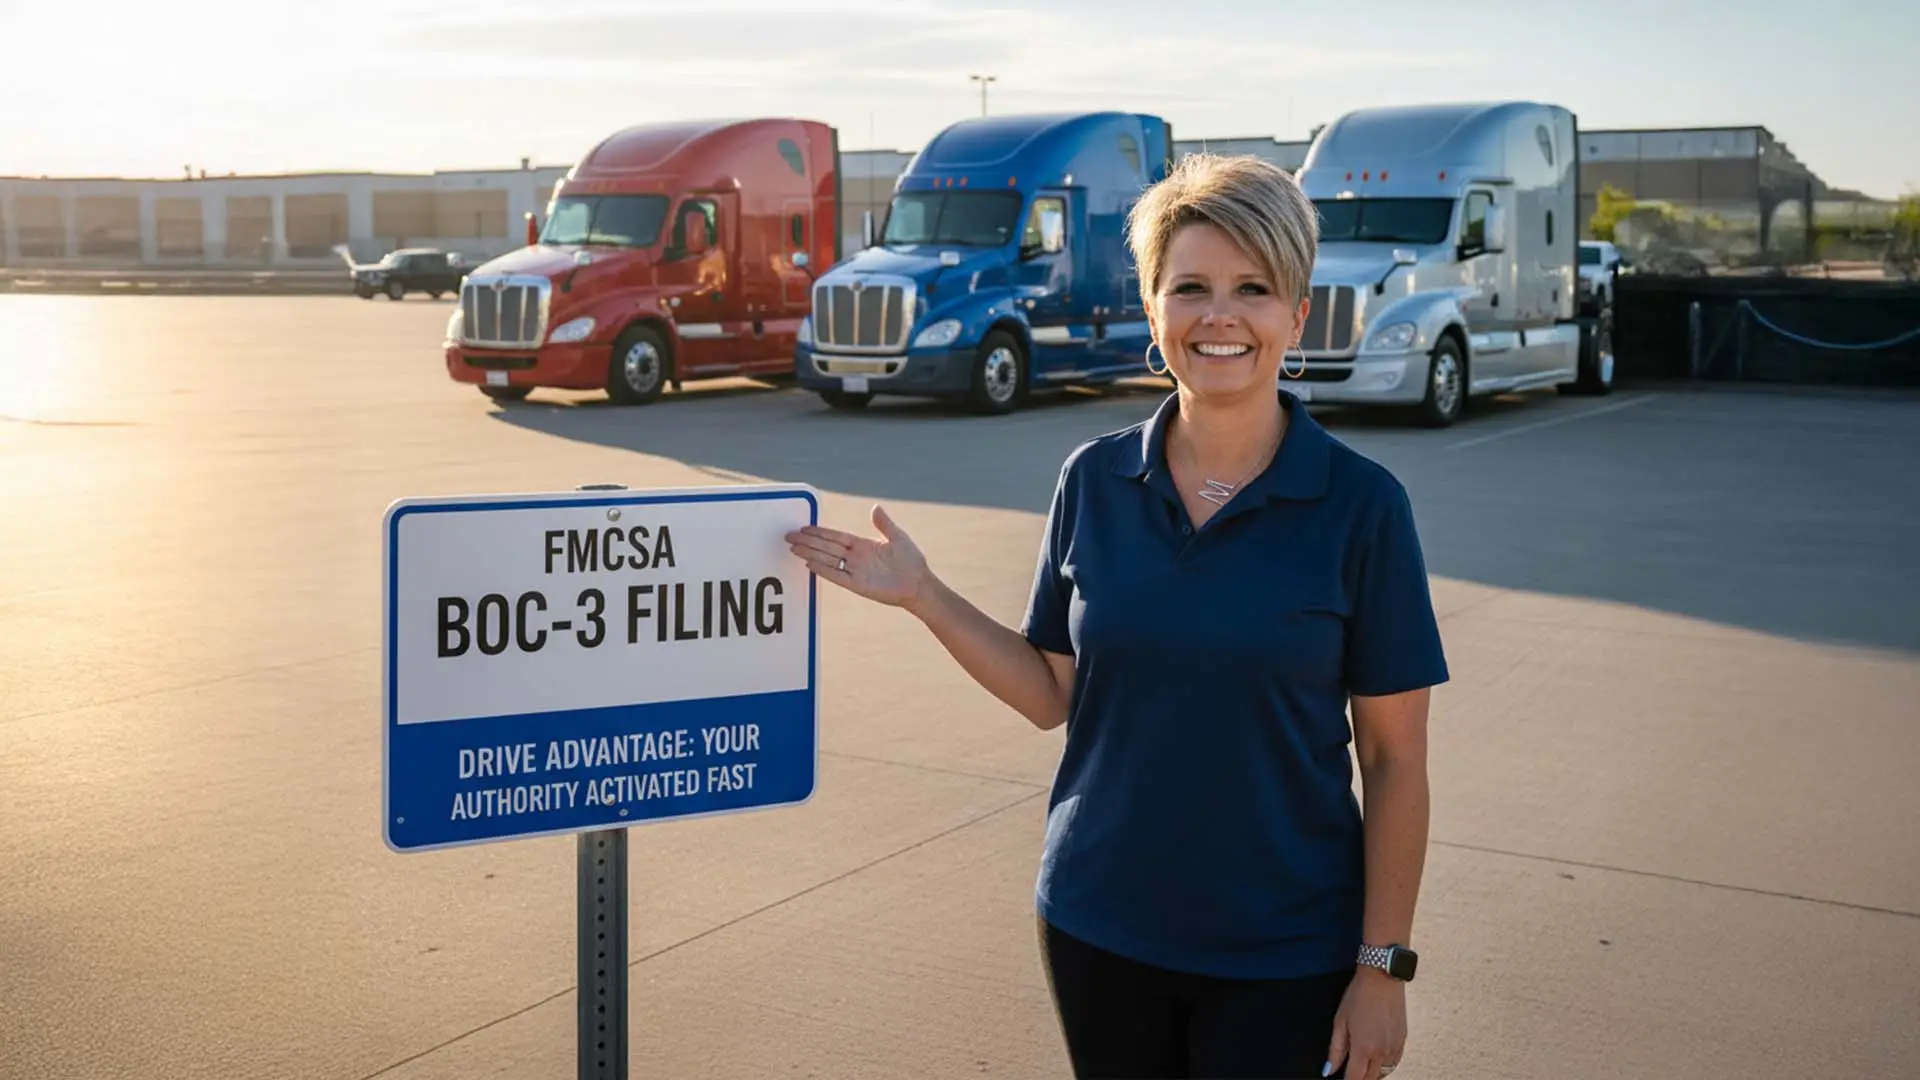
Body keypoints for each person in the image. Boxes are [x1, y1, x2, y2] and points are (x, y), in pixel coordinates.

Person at [786, 153, 1448, 1080]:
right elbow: (1052, 692)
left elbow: (1394, 758)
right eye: (1191, 288)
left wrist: (1384, 968)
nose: (1219, 315)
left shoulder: (1362, 507)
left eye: (1253, 288)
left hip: (1287, 953)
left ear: (1297, 314)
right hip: (1100, 928)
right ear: (1152, 309)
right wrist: (924, 597)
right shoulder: (1095, 480)